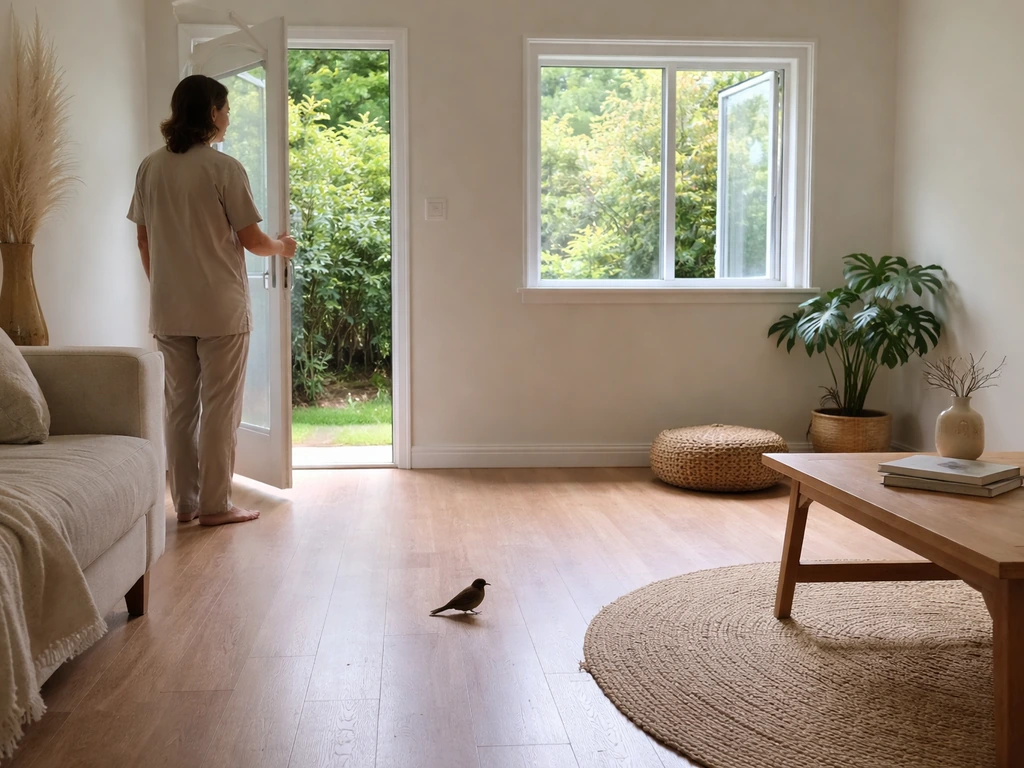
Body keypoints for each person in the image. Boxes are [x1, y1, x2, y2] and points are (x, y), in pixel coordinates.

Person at [128, 74, 296, 526]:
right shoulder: (225, 169)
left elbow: (144, 241)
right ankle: (216, 506)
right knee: (221, 409)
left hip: (169, 308)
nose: (229, 116)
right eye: (225, 108)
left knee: (179, 410)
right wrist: (283, 247)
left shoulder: (150, 167)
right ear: (210, 112)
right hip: (221, 309)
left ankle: (184, 505)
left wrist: (162, 284)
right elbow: (253, 240)